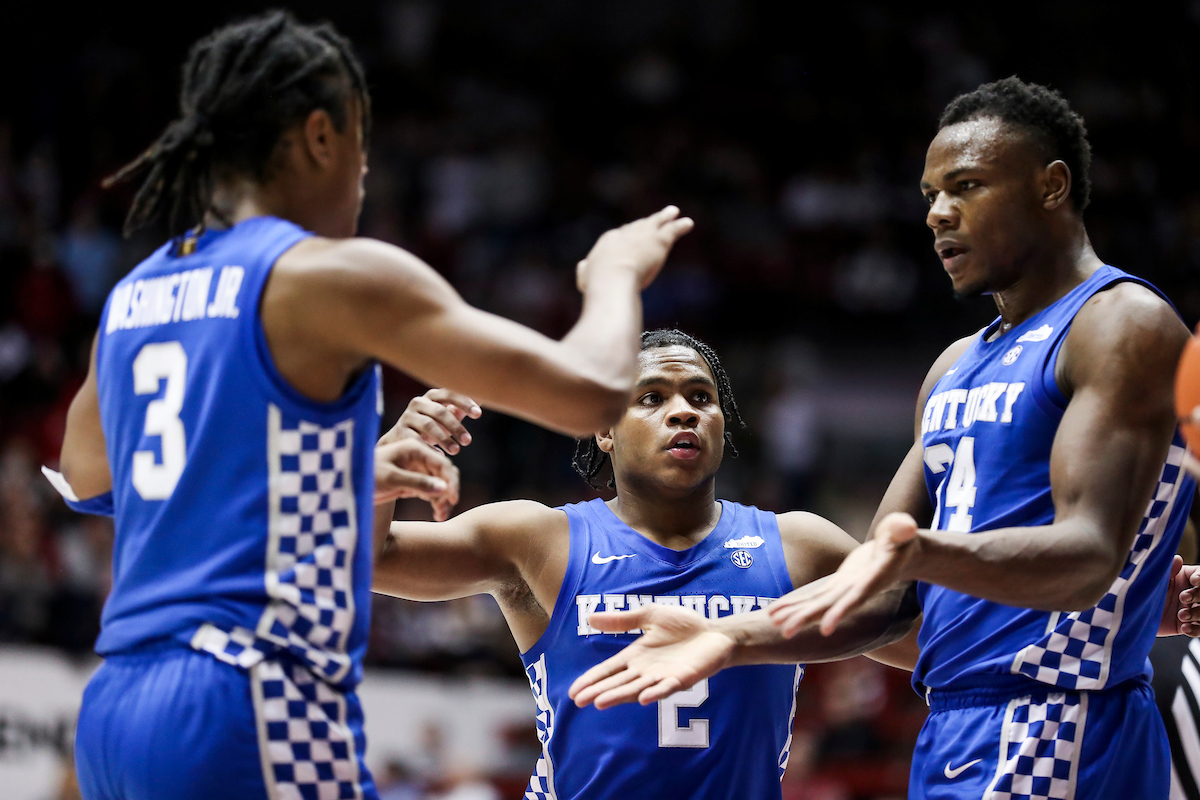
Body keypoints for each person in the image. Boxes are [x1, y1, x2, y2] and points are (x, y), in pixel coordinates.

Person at [44, 12, 693, 800]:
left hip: (115, 712)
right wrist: (615, 274)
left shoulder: (134, 295)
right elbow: (590, 389)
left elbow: (92, 479)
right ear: (321, 136)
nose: (363, 178)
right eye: (361, 149)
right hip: (247, 694)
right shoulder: (328, 274)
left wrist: (332, 475)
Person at [570, 76, 1199, 799]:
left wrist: (923, 553)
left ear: (1051, 186)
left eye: (966, 186)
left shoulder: (1121, 323)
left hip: (1061, 720)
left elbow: (1087, 559)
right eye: (930, 194)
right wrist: (730, 638)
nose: (938, 213)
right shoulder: (954, 368)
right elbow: (879, 598)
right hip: (953, 725)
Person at [372, 329, 917, 800]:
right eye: (651, 397)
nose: (683, 411)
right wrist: (377, 470)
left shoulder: (800, 544)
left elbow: (927, 647)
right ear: (605, 431)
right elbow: (371, 561)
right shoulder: (539, 539)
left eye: (701, 397)